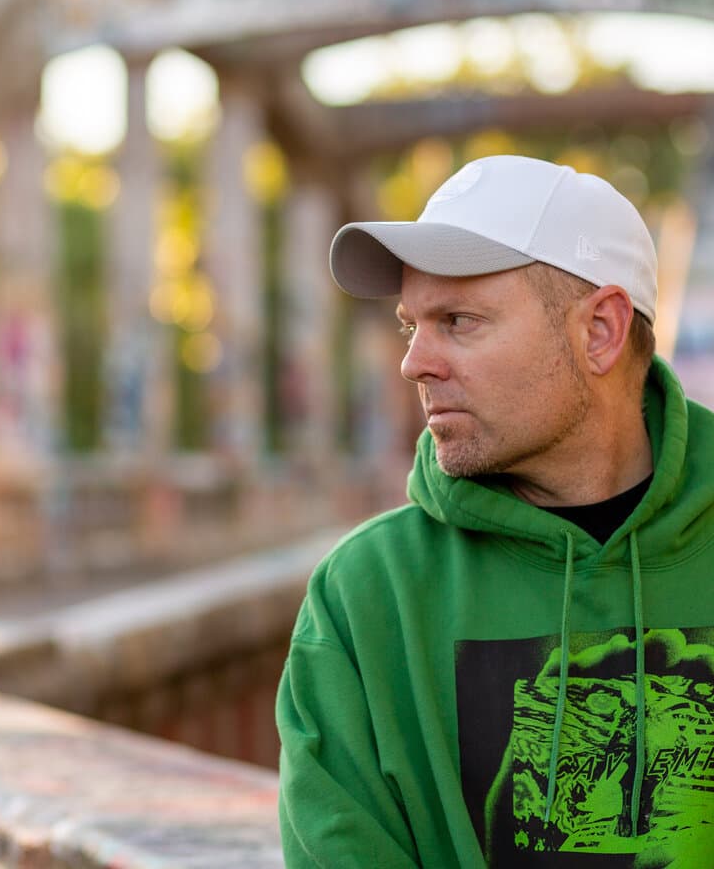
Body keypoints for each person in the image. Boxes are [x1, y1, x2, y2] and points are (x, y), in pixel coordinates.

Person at [276, 154, 714, 867]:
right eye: (411, 326)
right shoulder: (365, 597)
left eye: (458, 320)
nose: (414, 362)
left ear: (600, 331)